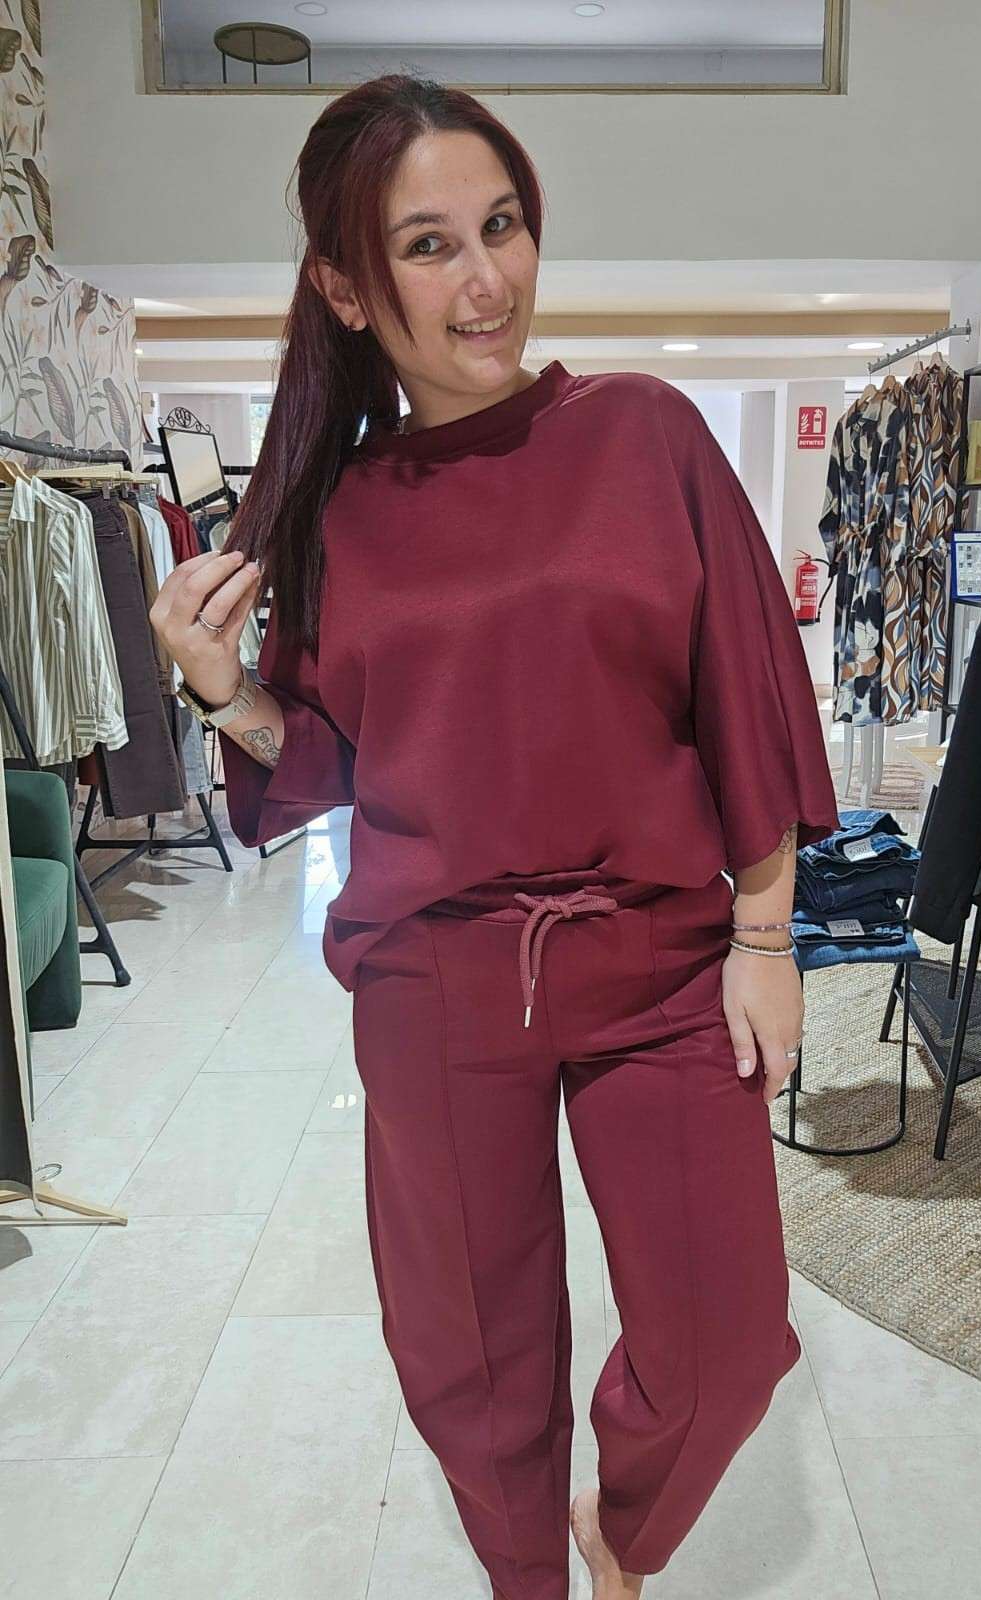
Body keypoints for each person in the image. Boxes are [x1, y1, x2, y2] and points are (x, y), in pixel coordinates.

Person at [150, 73, 837, 1600]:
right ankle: (528, 1578)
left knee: (727, 1340)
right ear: (348, 285)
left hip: (662, 963)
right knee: (468, 1354)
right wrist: (225, 690)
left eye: (504, 225)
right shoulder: (335, 512)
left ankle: (621, 1532)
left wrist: (766, 935)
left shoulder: (644, 435)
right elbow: (327, 762)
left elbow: (745, 690)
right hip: (438, 980)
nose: (487, 280)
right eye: (430, 245)